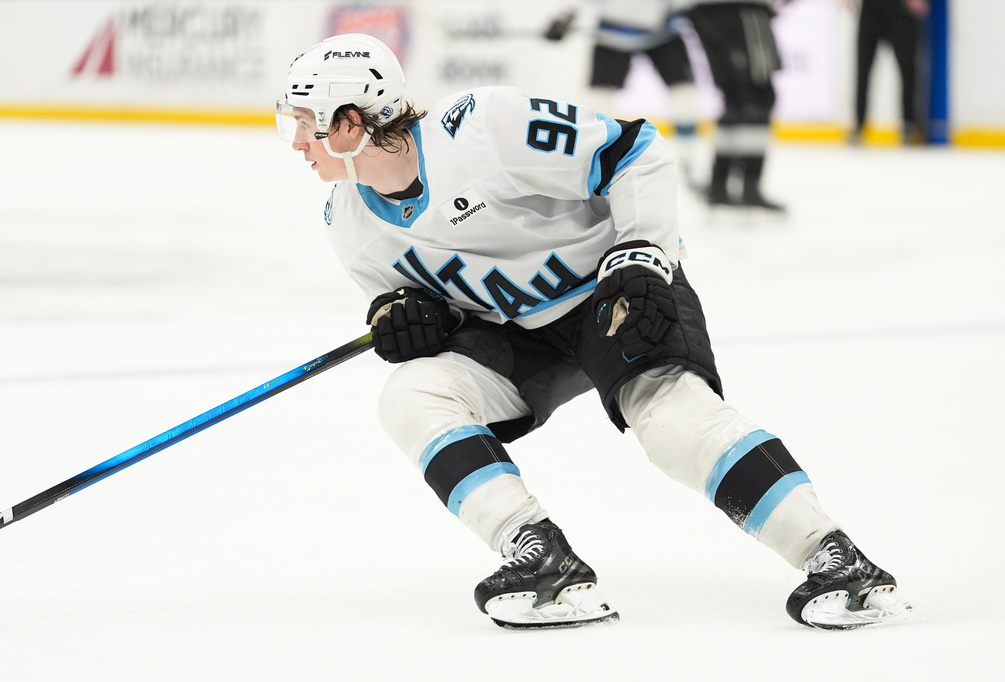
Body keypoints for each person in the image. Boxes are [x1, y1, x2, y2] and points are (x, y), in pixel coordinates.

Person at [275, 32, 912, 630]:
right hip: (519, 337)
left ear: (350, 123)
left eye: (304, 124)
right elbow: (411, 305)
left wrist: (642, 251)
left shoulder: (483, 128)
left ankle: (837, 560)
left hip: (614, 292)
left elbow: (636, 152)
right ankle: (539, 556)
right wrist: (410, 318)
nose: (296, 143)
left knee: (671, 421)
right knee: (411, 395)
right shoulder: (347, 222)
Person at [543, 1, 699, 178]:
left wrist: (686, 11)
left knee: (685, 93)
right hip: (614, 34)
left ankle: (688, 162)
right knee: (598, 99)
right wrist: (564, 16)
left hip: (663, 31)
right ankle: (590, 160)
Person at [682, 1, 788, 210]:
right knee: (757, 97)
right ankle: (746, 186)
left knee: (737, 98)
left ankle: (720, 184)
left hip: (712, 13)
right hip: (740, 11)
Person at [850, 0, 931, 145]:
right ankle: (859, 124)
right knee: (863, 66)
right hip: (871, 7)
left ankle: (909, 124)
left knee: (908, 68)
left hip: (901, 8)